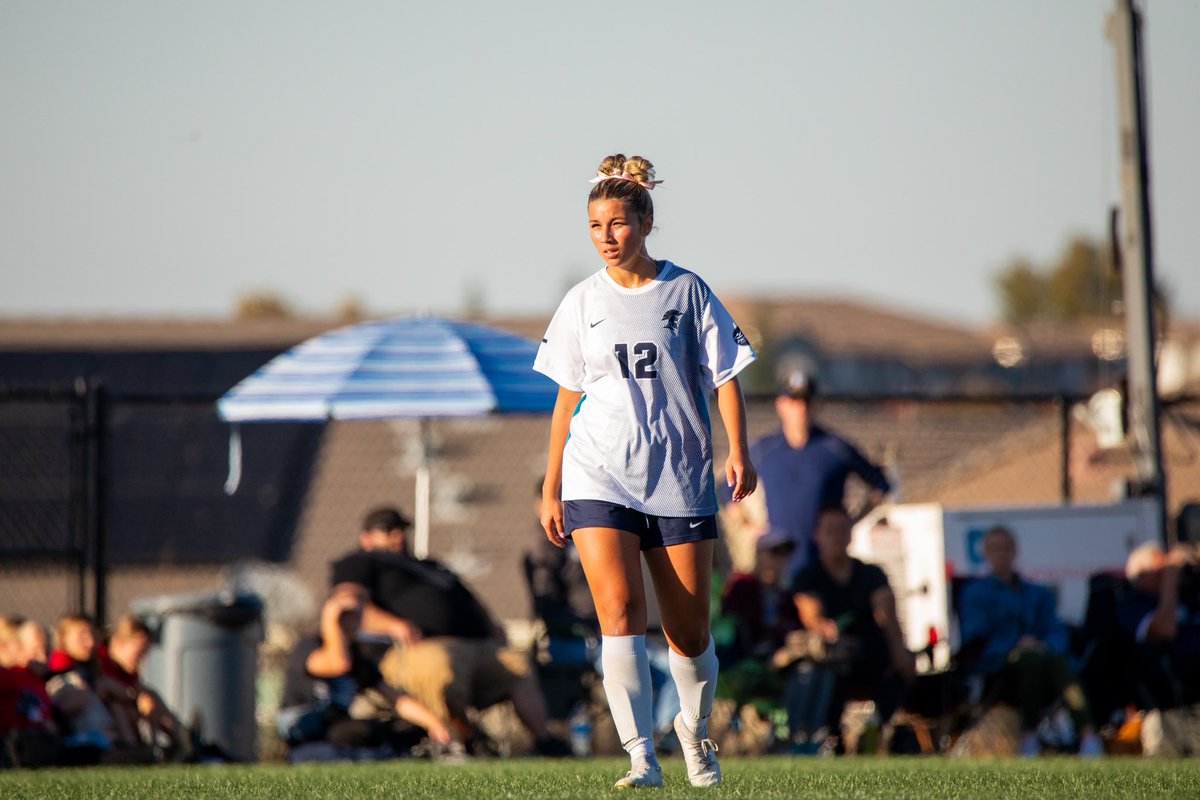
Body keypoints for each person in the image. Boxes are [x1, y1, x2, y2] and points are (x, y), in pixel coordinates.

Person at [535, 153, 758, 789]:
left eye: (618, 222)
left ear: (647, 222)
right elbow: (566, 399)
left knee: (687, 632)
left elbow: (727, 376)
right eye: (595, 225)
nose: (607, 235)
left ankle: (694, 731)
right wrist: (553, 485)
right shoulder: (581, 302)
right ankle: (640, 756)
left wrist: (737, 450)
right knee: (618, 612)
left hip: (680, 476)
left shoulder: (688, 292)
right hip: (597, 475)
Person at [330, 506, 569, 757]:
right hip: (415, 649)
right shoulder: (360, 562)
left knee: (516, 665)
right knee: (444, 668)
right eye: (387, 530)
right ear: (366, 538)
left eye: (400, 529)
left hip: (472, 644)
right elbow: (345, 604)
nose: (397, 535)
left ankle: (545, 742)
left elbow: (470, 600)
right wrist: (392, 625)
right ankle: (464, 743)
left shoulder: (430, 566)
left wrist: (491, 625)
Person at [958, 526, 1102, 758]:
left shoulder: (1038, 593)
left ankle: (1088, 736)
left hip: (1044, 661)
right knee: (1031, 660)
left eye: (1006, 548)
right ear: (985, 553)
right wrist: (1015, 644)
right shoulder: (975, 593)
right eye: (995, 549)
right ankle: (1030, 734)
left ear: (1015, 551)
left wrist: (1044, 645)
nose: (1001, 554)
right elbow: (976, 638)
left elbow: (1056, 630)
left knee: (1058, 660)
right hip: (999, 665)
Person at [788, 504, 914, 753]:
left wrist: (900, 652)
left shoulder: (871, 574)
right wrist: (826, 629)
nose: (837, 537)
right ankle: (833, 740)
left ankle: (891, 736)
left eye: (842, 530)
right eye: (830, 531)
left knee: (896, 670)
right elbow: (812, 616)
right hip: (834, 658)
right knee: (828, 672)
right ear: (817, 536)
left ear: (850, 534)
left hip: (871, 654)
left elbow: (886, 614)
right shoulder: (808, 576)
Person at [278, 584, 451, 760]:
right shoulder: (309, 646)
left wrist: (434, 724)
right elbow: (338, 664)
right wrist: (331, 616)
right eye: (346, 615)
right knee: (359, 731)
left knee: (407, 728)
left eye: (357, 615)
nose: (353, 622)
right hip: (305, 725)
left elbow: (398, 700)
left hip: (338, 724)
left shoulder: (356, 657)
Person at [748, 369, 890, 577]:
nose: (801, 409)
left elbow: (880, 485)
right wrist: (749, 527)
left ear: (817, 405)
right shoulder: (764, 449)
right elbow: (727, 490)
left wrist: (850, 522)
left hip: (826, 568)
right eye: (794, 401)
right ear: (781, 405)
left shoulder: (835, 448)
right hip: (779, 565)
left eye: (807, 401)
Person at [1117, 542, 1200, 706]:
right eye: (1160, 570)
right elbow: (1165, 630)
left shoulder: (1184, 596)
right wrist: (1170, 583)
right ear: (1141, 574)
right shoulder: (1132, 604)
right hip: (1171, 694)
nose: (1167, 574)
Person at [98, 615, 190, 760]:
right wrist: (135, 697)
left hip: (123, 712)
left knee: (150, 696)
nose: (143, 659)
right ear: (119, 642)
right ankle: (152, 751)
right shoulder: (101, 661)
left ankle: (185, 738)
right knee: (127, 705)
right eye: (139, 652)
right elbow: (106, 688)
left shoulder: (125, 671)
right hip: (109, 724)